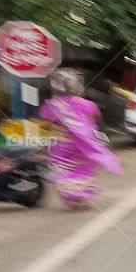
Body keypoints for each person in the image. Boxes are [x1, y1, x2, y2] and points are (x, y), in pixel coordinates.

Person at [40, 70, 121, 208]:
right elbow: (95, 122)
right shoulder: (88, 105)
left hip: (62, 146)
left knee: (65, 171)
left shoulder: (51, 106)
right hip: (84, 146)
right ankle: (82, 198)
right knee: (82, 170)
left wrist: (44, 146)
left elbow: (47, 126)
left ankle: (71, 199)